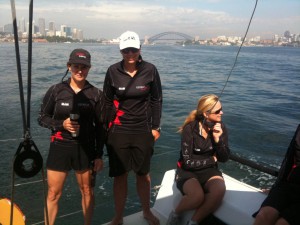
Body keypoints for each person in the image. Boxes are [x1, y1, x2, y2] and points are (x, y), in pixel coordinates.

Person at [38, 48, 105, 225]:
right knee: (53, 193)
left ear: (89, 68)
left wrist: (99, 155)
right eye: (76, 66)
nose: (80, 70)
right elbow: (42, 118)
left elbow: (100, 128)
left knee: (87, 191)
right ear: (69, 67)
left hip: (86, 149)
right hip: (60, 146)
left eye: (84, 67)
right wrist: (61, 124)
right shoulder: (56, 90)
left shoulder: (96, 94)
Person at [103, 31, 162, 225]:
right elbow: (106, 101)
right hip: (118, 131)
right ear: (121, 50)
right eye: (126, 50)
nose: (130, 54)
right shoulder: (112, 71)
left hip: (143, 131)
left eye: (134, 50)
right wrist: (105, 128)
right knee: (119, 176)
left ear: (140, 49)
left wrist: (155, 127)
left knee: (143, 174)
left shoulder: (150, 70)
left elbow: (156, 100)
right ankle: (118, 217)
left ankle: (146, 211)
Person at [166, 94, 230, 225]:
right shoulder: (190, 129)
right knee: (197, 196)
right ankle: (176, 214)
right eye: (217, 111)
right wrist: (212, 160)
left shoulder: (220, 128)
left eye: (221, 109)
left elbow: (224, 158)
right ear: (206, 114)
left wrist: (218, 140)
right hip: (187, 171)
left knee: (219, 190)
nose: (221, 112)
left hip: (209, 171)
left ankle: (194, 222)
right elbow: (188, 162)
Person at [253, 124, 300, 225]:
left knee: (282, 223)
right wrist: (276, 188)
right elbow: (289, 161)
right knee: (263, 216)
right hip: (288, 185)